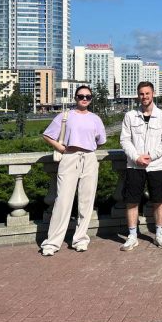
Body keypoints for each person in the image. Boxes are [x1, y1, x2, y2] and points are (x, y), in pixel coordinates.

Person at [40, 85, 106, 256]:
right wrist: (61, 148)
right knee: (63, 200)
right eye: (81, 96)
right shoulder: (65, 116)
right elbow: (47, 135)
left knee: (86, 201)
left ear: (91, 99)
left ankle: (80, 239)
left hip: (89, 158)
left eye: (88, 97)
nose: (84, 99)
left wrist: (88, 148)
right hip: (69, 158)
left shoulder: (95, 119)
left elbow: (100, 141)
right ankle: (52, 242)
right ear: (75, 97)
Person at [119, 81, 162, 251]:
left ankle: (159, 234)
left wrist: (151, 156)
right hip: (135, 166)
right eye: (141, 94)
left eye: (147, 93)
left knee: (159, 200)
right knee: (132, 201)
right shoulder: (130, 116)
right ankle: (132, 236)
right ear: (138, 96)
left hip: (156, 165)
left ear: (153, 94)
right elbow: (125, 140)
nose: (144, 97)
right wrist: (136, 157)